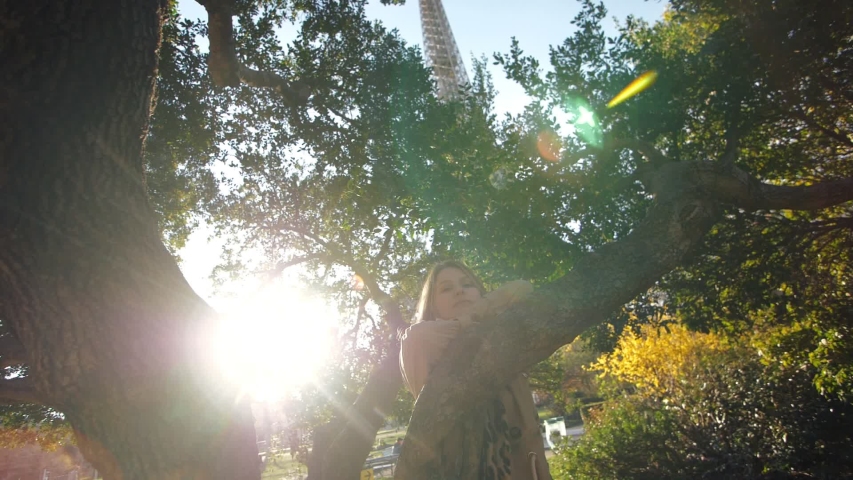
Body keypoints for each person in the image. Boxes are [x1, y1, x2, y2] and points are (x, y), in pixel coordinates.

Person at [399, 260, 551, 480]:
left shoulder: (500, 338)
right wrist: (472, 318)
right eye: (446, 288)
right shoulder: (422, 342)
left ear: (481, 293)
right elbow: (417, 338)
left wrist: (476, 313)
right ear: (432, 305)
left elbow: (523, 288)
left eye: (467, 284)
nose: (460, 291)